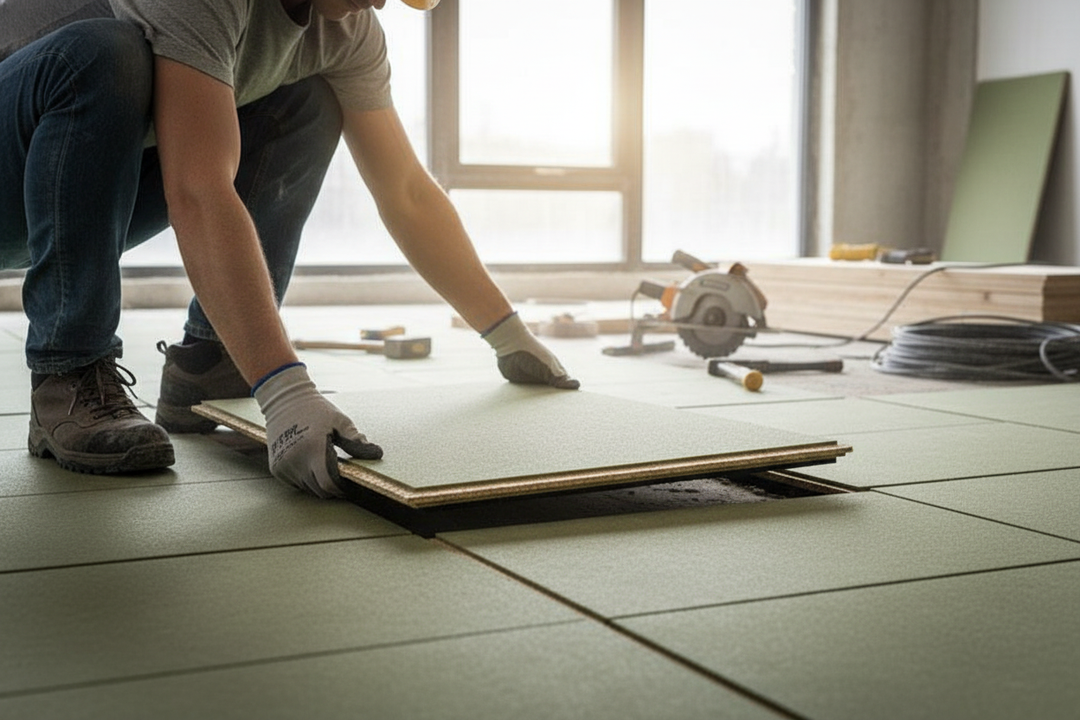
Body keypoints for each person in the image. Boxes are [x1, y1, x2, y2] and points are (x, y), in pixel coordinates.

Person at [0, 0, 579, 499]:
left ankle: (212, 361)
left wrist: (508, 334)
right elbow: (198, 189)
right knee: (105, 54)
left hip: (73, 187)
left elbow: (405, 191)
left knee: (308, 99)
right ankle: (69, 373)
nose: (379, 4)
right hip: (12, 174)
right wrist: (285, 390)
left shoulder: (345, 33)